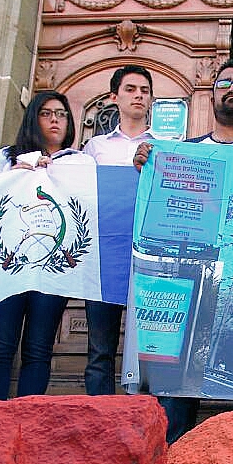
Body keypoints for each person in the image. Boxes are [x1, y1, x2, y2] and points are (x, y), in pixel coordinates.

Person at [134, 58, 233, 442]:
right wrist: (147, 166)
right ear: (212, 96)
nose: (232, 89)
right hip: (187, 284)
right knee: (175, 383)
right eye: (224, 84)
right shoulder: (180, 154)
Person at [0, 90, 76, 399]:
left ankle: (28, 419)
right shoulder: (6, 156)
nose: (55, 120)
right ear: (33, 118)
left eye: (61, 114)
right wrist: (12, 176)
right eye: (47, 113)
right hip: (9, 264)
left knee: (38, 347)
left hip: (54, 268)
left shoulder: (79, 161)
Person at [80, 65, 156, 396]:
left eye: (144, 90)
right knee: (100, 351)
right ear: (114, 97)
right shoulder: (94, 148)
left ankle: (144, 423)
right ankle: (99, 423)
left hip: (149, 260)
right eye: (130, 89)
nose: (138, 95)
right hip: (103, 258)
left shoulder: (166, 146)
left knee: (148, 353)